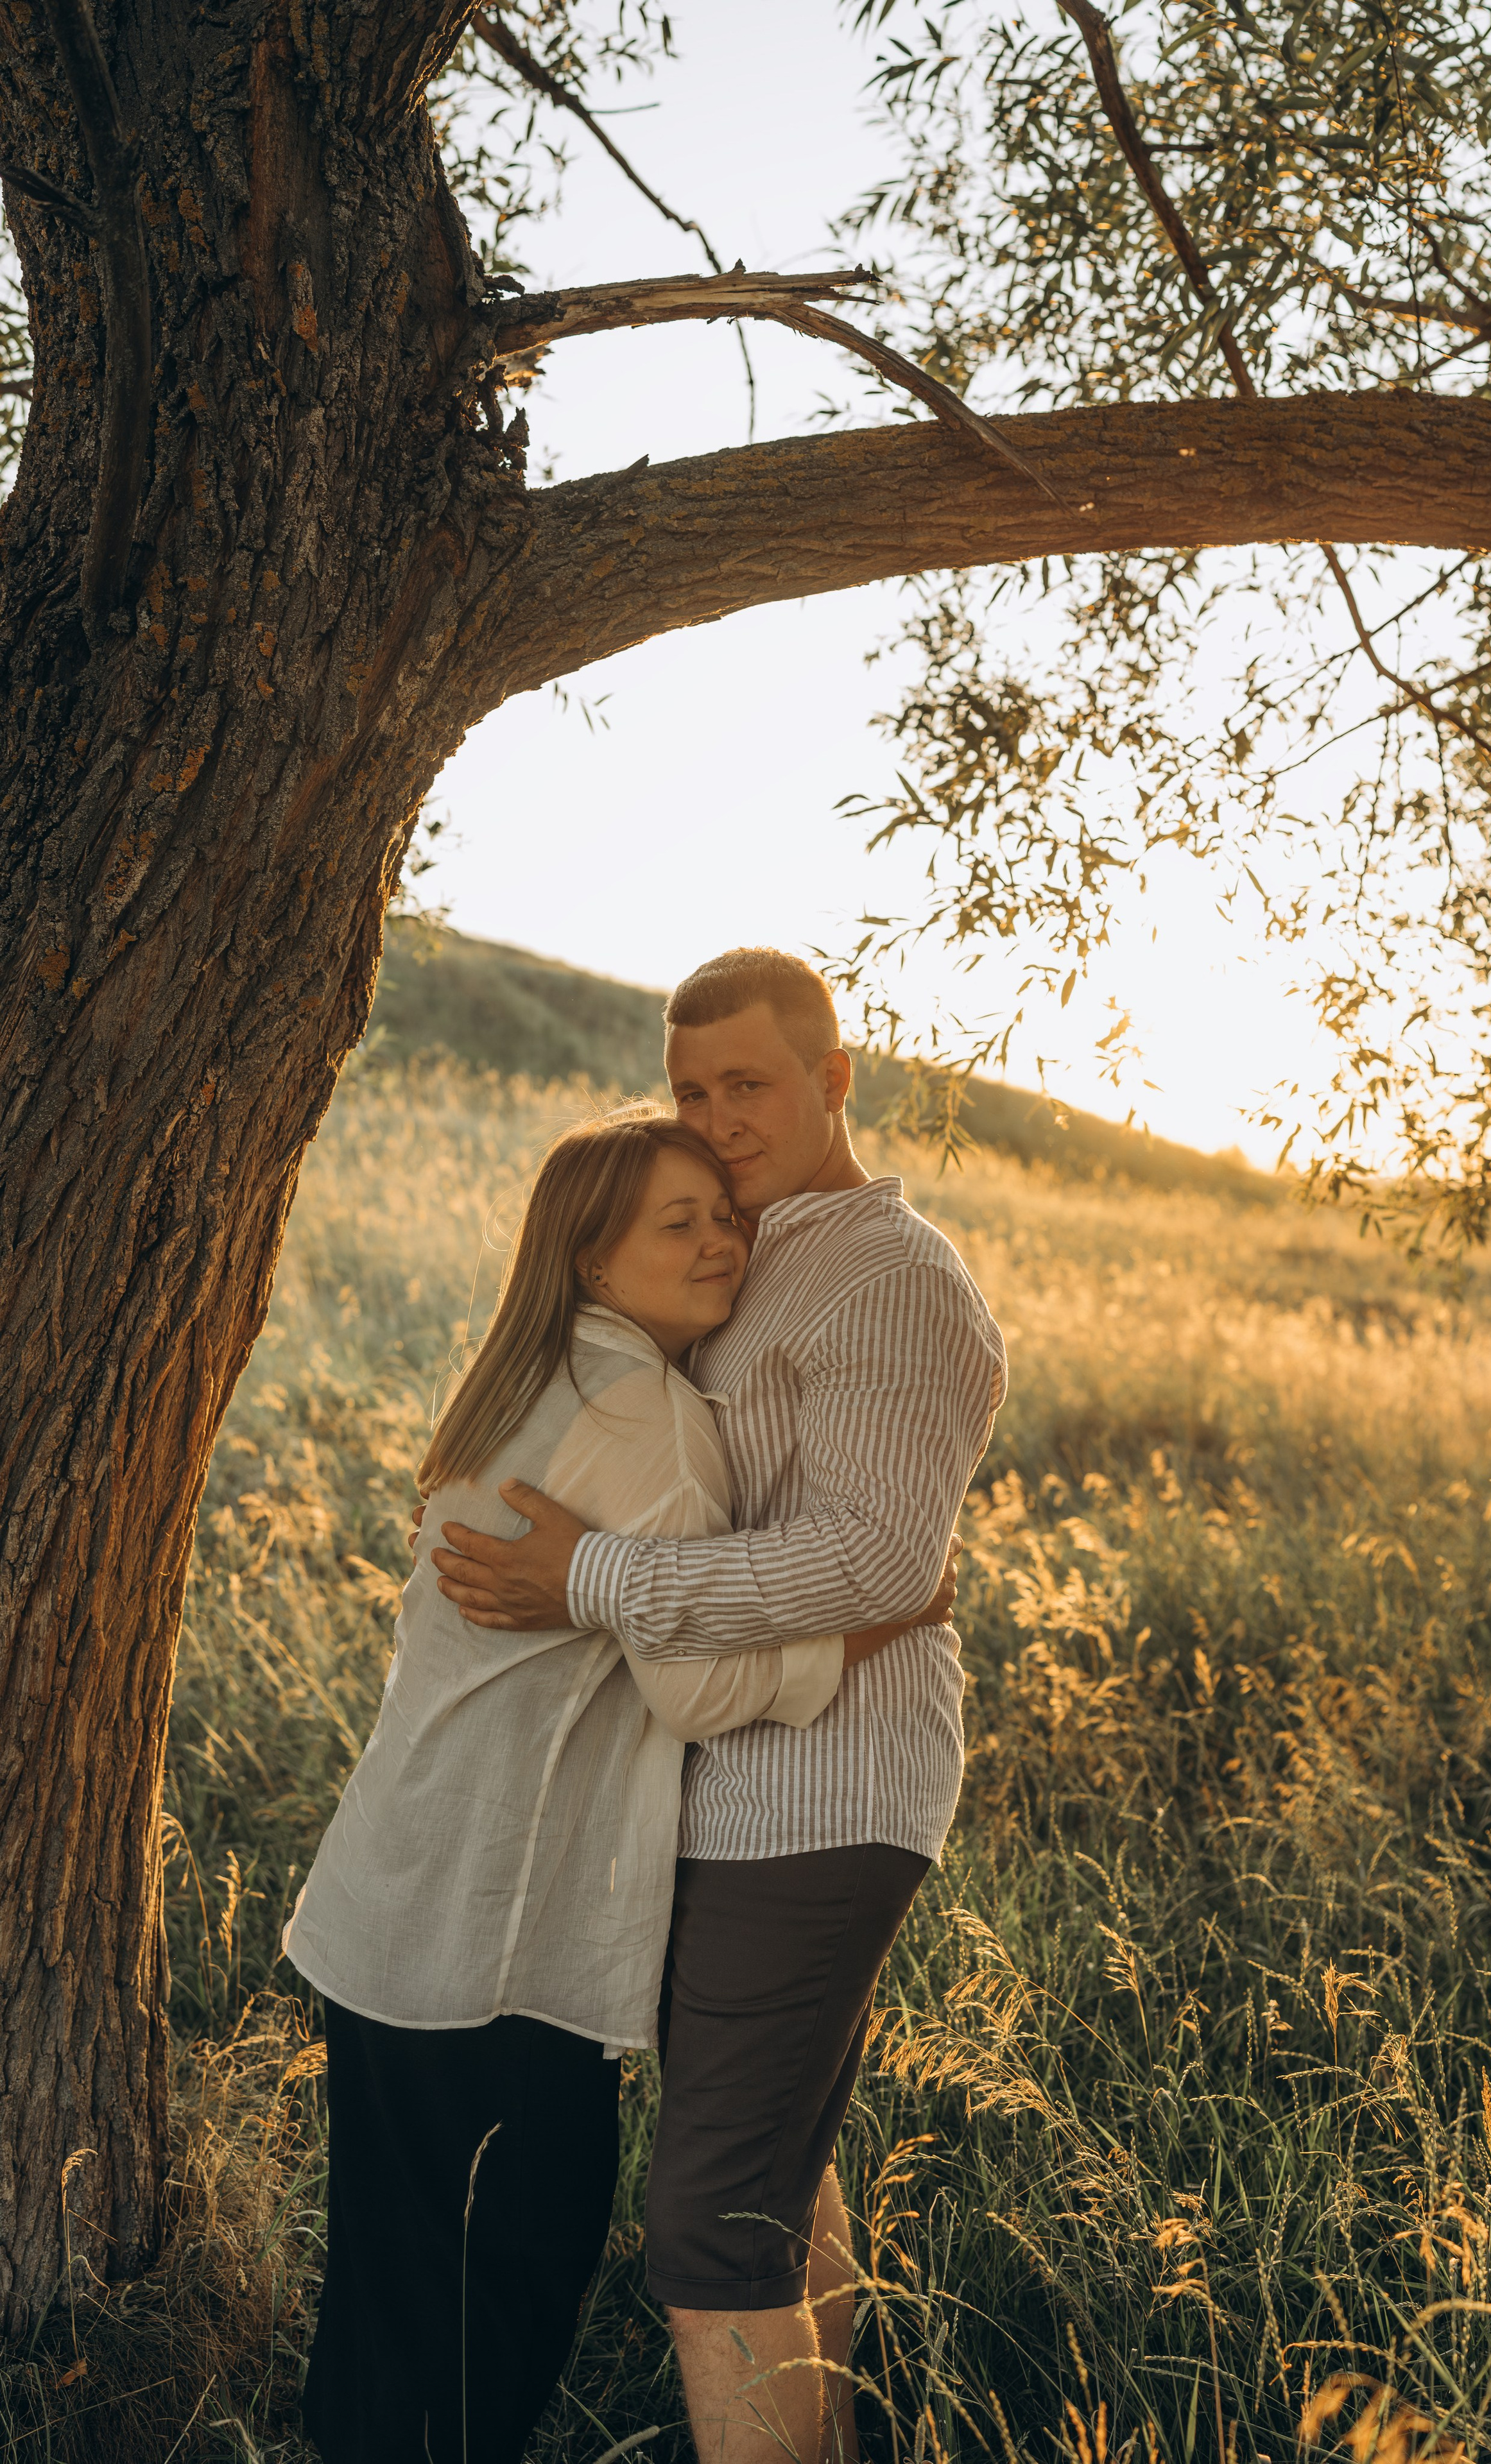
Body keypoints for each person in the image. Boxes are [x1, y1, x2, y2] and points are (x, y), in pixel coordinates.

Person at [284, 1105, 951, 2464]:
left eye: (726, 1214)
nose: (720, 1242)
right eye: (677, 1223)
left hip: (382, 1910)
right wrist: (883, 1614)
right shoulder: (647, 1413)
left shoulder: (528, 1379)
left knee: (388, 2294)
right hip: (491, 1945)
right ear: (594, 1263)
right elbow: (698, 1692)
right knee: (497, 2306)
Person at [430, 949, 1008, 2464]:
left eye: (746, 1086)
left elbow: (881, 1553)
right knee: (771, 2169)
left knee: (703, 2230)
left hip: (820, 1796)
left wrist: (596, 1576)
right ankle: (855, 2427)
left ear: (833, 1080)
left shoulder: (888, 1275)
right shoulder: (748, 1254)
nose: (714, 1118)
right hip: (718, 1783)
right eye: (691, 1089)